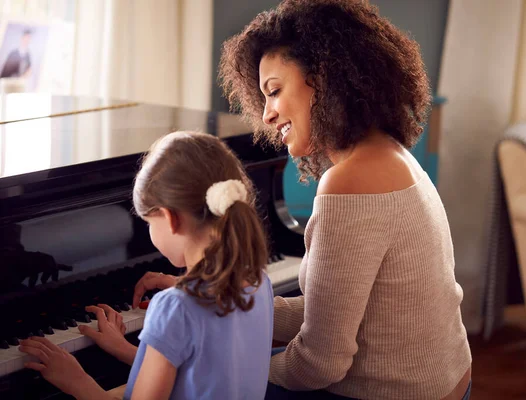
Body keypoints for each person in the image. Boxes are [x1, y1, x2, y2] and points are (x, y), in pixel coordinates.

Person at [217, 0, 473, 399]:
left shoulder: (350, 182)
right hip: (443, 382)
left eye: (274, 91)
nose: (266, 115)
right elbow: (331, 312)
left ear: (324, 78)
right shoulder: (389, 153)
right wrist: (221, 304)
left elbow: (319, 363)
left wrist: (220, 365)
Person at [18, 131, 275, 400]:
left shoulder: (176, 308)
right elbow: (197, 372)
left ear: (170, 218)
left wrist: (77, 380)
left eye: (149, 223)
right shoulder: (258, 281)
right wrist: (122, 347)